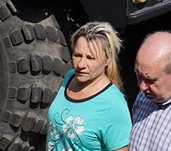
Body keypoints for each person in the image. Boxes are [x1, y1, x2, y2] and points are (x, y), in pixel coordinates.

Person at [49, 21, 131, 151]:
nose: (81, 64)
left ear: (107, 60)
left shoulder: (113, 105)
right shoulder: (70, 77)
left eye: (90, 58)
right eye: (77, 55)